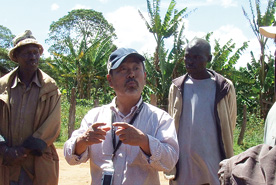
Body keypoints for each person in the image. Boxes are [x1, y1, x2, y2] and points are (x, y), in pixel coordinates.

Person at [64, 47, 179, 185]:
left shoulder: (160, 118)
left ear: (145, 77)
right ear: (110, 80)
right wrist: (83, 140)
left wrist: (144, 141)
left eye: (136, 68)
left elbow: (170, 161)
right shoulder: (94, 117)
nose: (131, 74)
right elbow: (69, 157)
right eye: (123, 69)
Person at [0, 30, 61, 185]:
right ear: (16, 57)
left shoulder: (50, 88)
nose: (33, 57)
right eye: (27, 53)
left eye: (36, 52)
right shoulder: (1, 87)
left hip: (36, 164)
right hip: (5, 163)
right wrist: (5, 151)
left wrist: (22, 152)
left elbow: (51, 126)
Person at [165, 38, 237, 185]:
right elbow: (172, 124)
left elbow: (230, 122)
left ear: (208, 58)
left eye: (197, 57)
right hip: (184, 166)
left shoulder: (223, 87)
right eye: (187, 57)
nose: (190, 61)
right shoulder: (177, 87)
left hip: (214, 163)